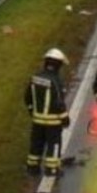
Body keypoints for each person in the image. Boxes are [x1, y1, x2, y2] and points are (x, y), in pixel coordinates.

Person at [24, 48, 70, 176]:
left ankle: (32, 168)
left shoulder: (35, 78)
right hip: (53, 123)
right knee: (54, 144)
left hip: (37, 121)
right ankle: (51, 169)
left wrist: (32, 110)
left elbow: (27, 97)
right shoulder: (56, 81)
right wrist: (65, 118)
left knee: (36, 144)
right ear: (58, 64)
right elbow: (59, 103)